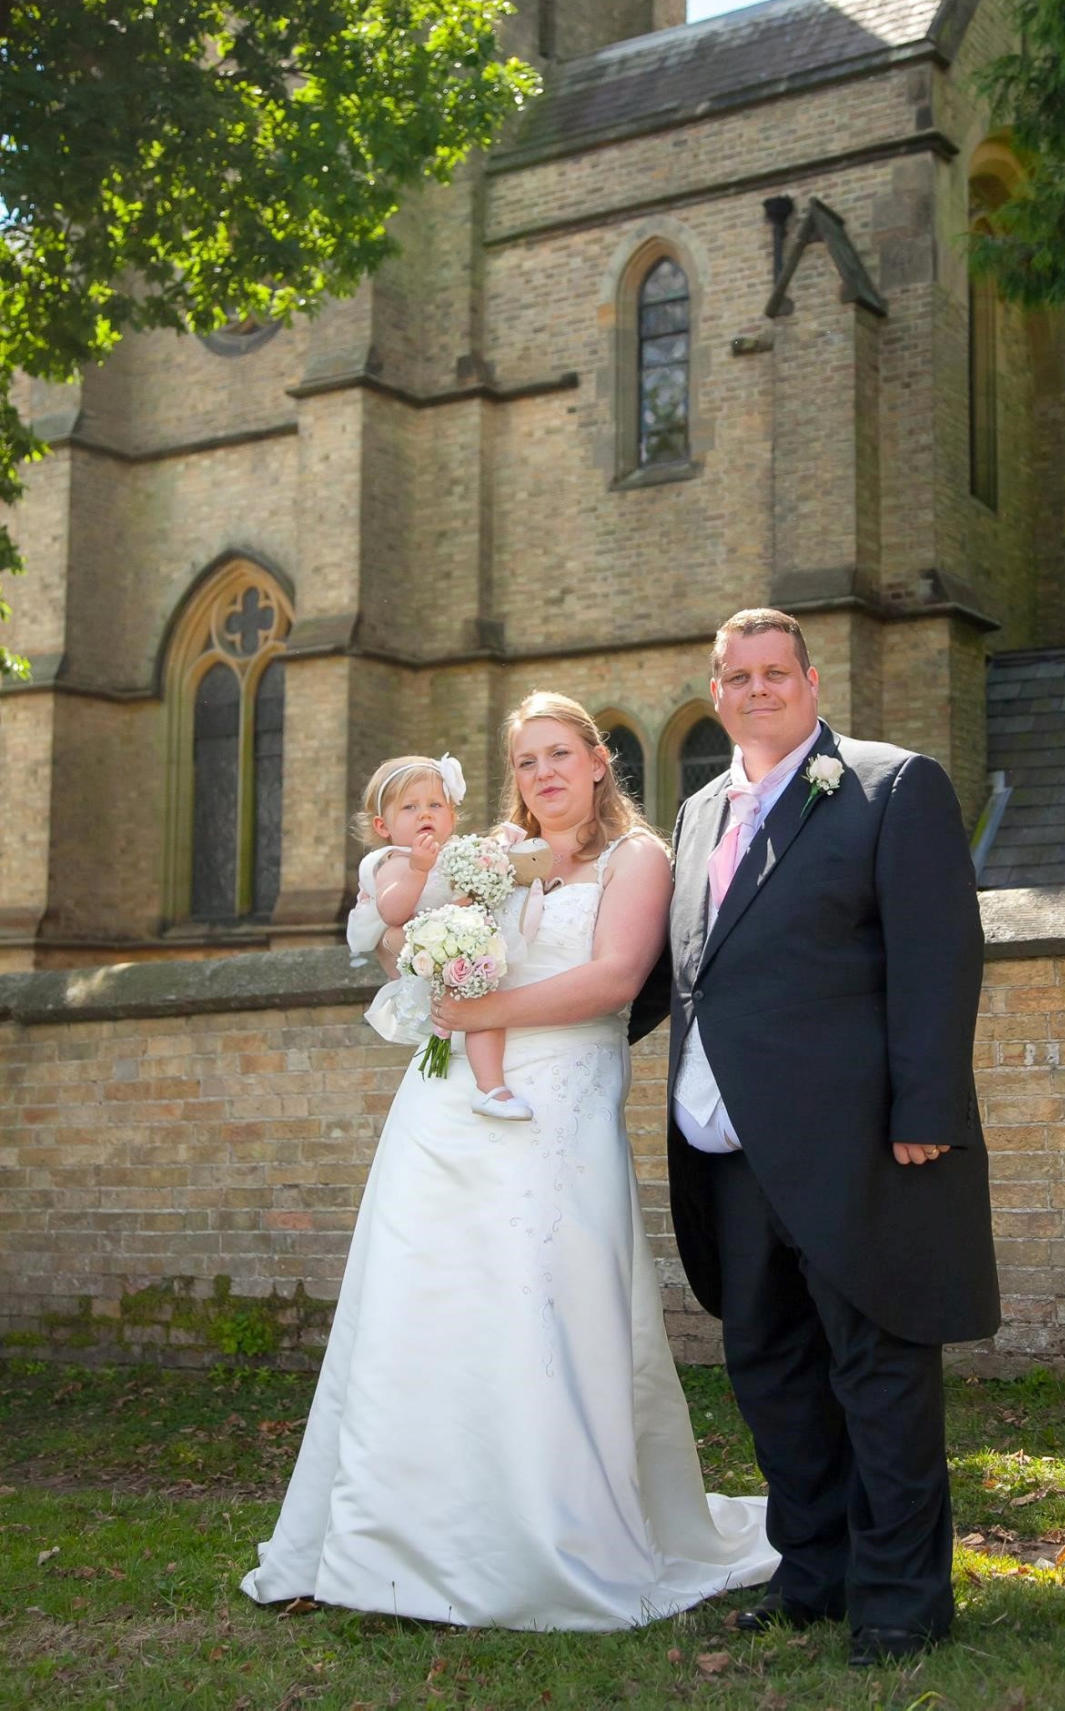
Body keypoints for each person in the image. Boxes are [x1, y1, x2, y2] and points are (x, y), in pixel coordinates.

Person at [240, 693, 776, 1630]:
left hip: (557, 1106)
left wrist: (481, 1011)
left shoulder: (636, 859)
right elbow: (407, 939)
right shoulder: (486, 851)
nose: (544, 774)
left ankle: (544, 1535)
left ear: (600, 759)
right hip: (443, 1105)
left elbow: (613, 979)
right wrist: (419, 943)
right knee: (422, 1299)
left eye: (560, 754)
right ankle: (391, 1540)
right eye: (526, 761)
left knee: (539, 1303)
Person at [665, 608, 1000, 1667]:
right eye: (738, 675)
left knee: (880, 1370)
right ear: (717, 692)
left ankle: (902, 1599)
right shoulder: (696, 814)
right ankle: (814, 1572)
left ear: (812, 683)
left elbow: (939, 958)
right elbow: (687, 972)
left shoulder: (892, 787)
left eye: (776, 672)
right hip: (728, 1147)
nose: (757, 689)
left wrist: (926, 1113)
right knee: (771, 1370)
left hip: (860, 1147)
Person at [345, 752, 532, 1120]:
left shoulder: (457, 855)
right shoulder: (392, 861)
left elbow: (467, 899)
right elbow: (393, 912)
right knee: (472, 1015)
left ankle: (490, 1085)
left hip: (463, 957)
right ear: (383, 826)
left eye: (435, 805)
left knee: (485, 1011)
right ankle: (484, 1084)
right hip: (428, 962)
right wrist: (417, 869)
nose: (424, 814)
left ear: (452, 816)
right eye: (410, 807)